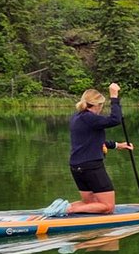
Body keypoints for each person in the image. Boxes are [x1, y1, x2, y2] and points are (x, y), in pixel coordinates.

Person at [45, 82, 133, 216]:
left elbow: (91, 140)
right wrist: (114, 96)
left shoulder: (77, 117)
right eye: (101, 105)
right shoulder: (90, 118)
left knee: (89, 204)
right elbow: (116, 119)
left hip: (76, 166)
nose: (102, 109)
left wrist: (117, 145)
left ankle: (58, 207)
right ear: (97, 105)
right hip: (91, 167)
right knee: (108, 207)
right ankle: (69, 209)